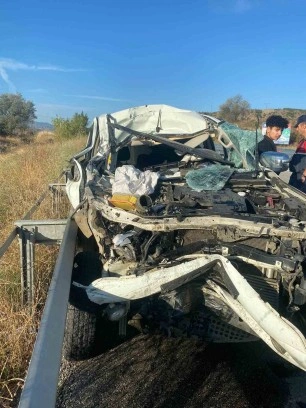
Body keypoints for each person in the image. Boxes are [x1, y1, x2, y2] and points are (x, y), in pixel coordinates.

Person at [289, 115, 306, 193]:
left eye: (298, 126)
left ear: (304, 126)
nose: (297, 129)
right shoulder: (302, 141)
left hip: (303, 180)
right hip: (295, 178)